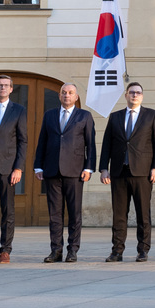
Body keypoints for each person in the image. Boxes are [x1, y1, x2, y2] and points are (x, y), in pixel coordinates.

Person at [99, 81, 155, 262]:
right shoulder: (115, 117)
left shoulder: (152, 115)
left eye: (138, 92)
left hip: (143, 172)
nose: (135, 95)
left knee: (143, 214)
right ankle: (117, 251)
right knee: (119, 215)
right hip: (119, 172)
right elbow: (106, 144)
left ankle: (143, 250)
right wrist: (104, 168)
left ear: (142, 96)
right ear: (126, 95)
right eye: (132, 92)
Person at [33, 83, 96, 263]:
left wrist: (88, 168)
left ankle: (72, 250)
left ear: (76, 97)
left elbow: (90, 144)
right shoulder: (49, 115)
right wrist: (38, 166)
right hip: (52, 170)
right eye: (64, 92)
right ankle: (56, 250)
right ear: (59, 96)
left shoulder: (84, 116)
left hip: (75, 171)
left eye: (70, 93)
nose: (67, 95)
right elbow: (42, 141)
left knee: (74, 213)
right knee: (55, 214)